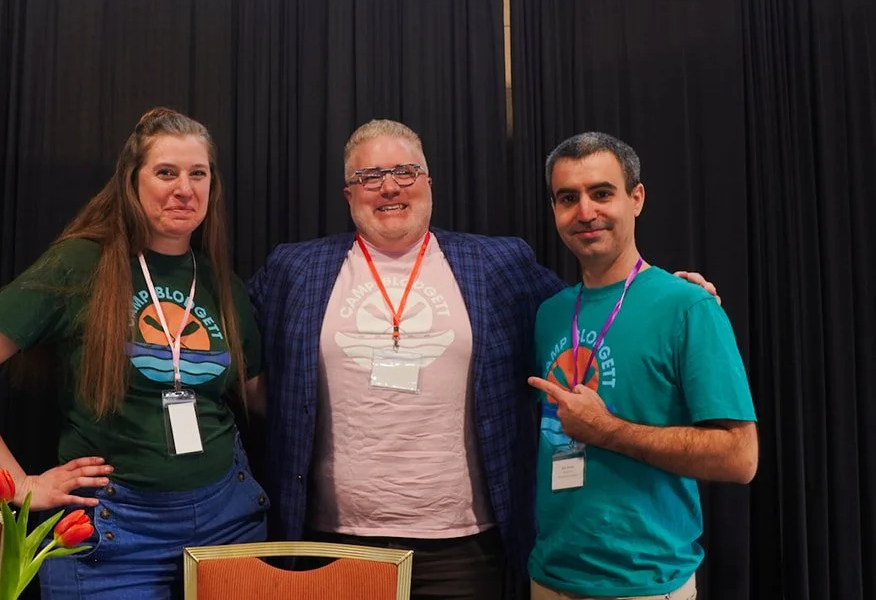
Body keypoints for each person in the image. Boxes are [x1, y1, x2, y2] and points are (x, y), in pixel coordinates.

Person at [246, 119, 718, 599]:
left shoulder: (498, 264)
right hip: (333, 543)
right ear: (350, 194)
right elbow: (232, 347)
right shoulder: (295, 269)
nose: (388, 186)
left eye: (405, 171)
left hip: (464, 547)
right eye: (369, 177)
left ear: (429, 183)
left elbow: (585, 319)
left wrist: (663, 295)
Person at [0, 107, 269, 599]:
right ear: (132, 182)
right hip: (112, 533)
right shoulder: (81, 264)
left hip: (226, 520)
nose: (184, 188)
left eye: (198, 174)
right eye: (166, 172)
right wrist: (19, 485)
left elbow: (261, 397)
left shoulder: (221, 283)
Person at [526, 131, 758, 600]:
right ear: (554, 210)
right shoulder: (550, 312)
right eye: (568, 198)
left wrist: (607, 430)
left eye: (602, 193)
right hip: (549, 576)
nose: (585, 211)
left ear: (637, 198)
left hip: (647, 583)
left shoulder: (689, 307)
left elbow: (740, 458)